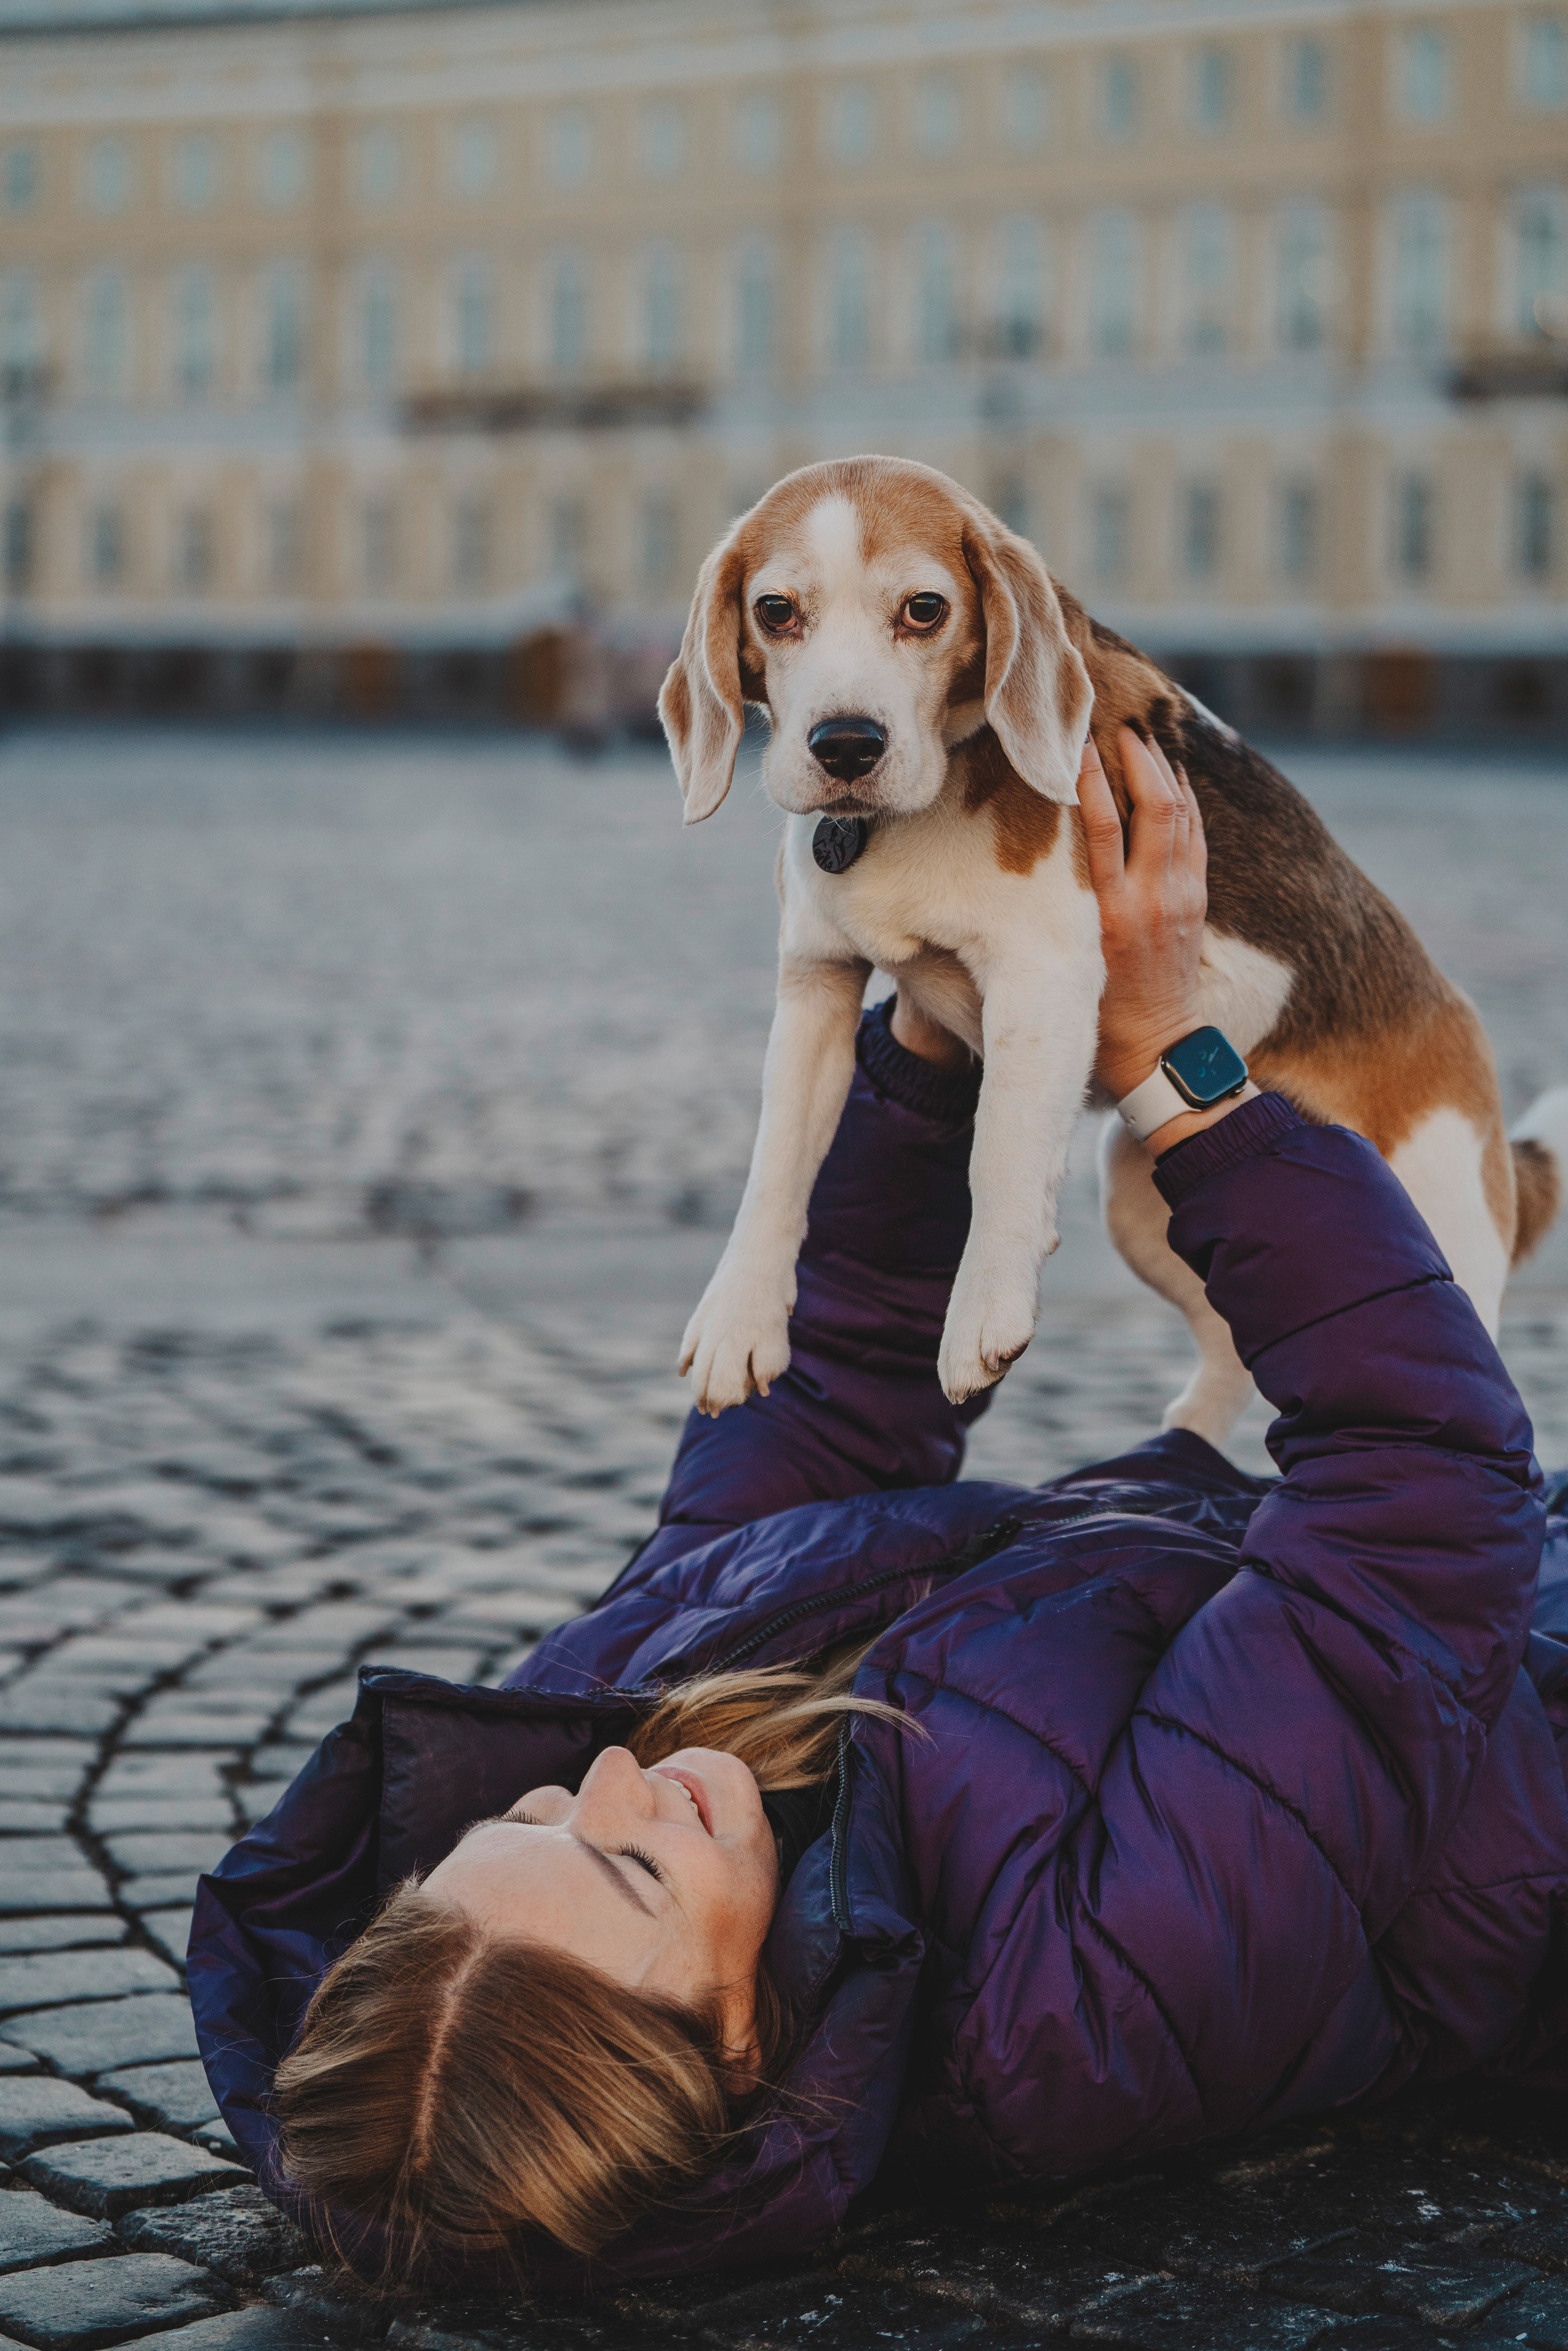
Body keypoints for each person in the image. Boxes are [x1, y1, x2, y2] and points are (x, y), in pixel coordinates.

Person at [188, 730, 1568, 2295]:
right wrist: (1178, 1067)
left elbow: (825, 1393)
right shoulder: (1085, 1994)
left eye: (523, 1822)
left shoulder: (637, 1747)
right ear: (738, 2037)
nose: (608, 1786)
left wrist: (925, 1045)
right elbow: (1417, 1493)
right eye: (623, 1867)